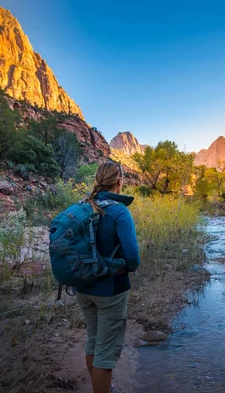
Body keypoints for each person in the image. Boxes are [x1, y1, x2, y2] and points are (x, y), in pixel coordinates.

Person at [75, 161, 140, 393]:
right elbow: (133, 258)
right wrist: (122, 265)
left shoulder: (83, 205)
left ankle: (101, 387)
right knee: (105, 352)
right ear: (119, 182)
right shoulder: (119, 211)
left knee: (93, 340)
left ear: (97, 181)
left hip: (83, 287)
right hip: (111, 291)